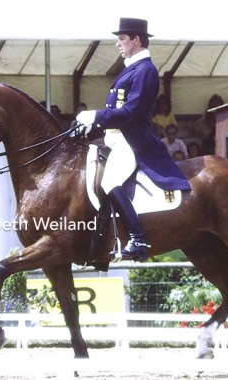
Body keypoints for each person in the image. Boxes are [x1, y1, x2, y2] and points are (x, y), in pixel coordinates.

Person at [75, 18, 191, 261]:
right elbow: (116, 115)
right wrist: (92, 127)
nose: (118, 44)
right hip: (115, 139)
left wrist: (95, 115)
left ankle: (138, 240)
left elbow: (132, 112)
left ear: (136, 40)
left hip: (132, 142)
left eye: (122, 39)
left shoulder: (145, 70)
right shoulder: (131, 69)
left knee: (110, 182)